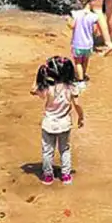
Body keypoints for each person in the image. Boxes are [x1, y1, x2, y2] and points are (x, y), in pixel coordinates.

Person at [30, 56, 83, 186]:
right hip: (64, 124)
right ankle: (66, 175)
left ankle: (48, 176)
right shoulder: (71, 87)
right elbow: (77, 105)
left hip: (49, 124)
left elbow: (33, 90)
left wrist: (38, 77)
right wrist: (81, 117)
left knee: (47, 151)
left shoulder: (48, 88)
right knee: (65, 150)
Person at [67, 0, 112, 88]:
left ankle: (80, 81)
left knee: (78, 62)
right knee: (85, 61)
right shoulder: (94, 16)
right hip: (88, 44)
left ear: (80, 1)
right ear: (91, 1)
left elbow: (72, 26)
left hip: (77, 43)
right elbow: (95, 30)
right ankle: (83, 75)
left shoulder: (76, 14)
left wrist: (68, 21)